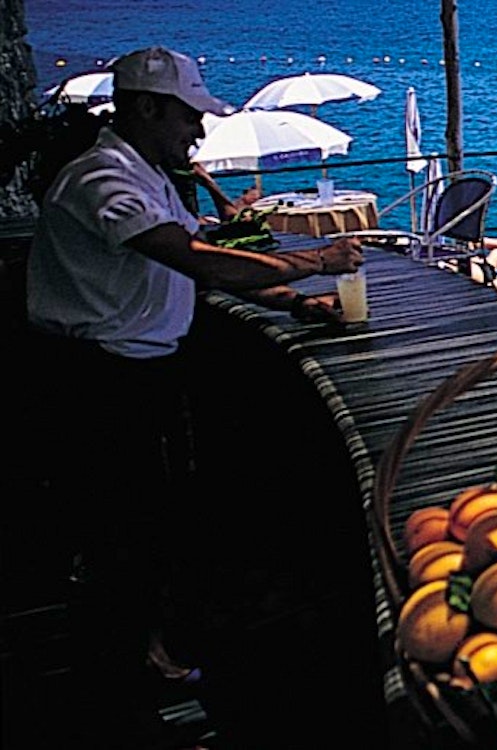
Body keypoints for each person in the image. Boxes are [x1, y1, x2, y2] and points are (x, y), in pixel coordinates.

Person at [21, 46, 363, 746]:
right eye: (188, 116)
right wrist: (316, 261)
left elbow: (186, 266)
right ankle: (119, 701)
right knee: (121, 536)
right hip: (99, 381)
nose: (199, 131)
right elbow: (191, 259)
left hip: (138, 373)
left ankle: (148, 665)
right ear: (146, 108)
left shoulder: (149, 176)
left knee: (149, 527)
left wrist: (296, 304)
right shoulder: (100, 179)